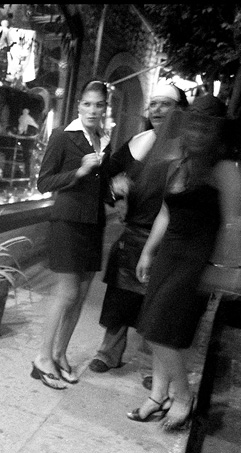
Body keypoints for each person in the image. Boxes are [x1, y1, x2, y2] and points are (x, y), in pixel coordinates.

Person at [127, 94, 241, 430]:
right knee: (153, 327)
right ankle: (158, 395)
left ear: (217, 133)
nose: (196, 132)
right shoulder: (180, 159)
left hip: (196, 259)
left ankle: (182, 397)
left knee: (162, 333)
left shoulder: (225, 170)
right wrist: (149, 251)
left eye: (205, 127)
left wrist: (227, 271)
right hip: (169, 254)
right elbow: (166, 209)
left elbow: (232, 223)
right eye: (193, 124)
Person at [90, 83, 188, 374]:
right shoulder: (138, 142)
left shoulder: (187, 147)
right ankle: (108, 353)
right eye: (153, 104)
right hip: (133, 234)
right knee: (120, 298)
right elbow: (106, 176)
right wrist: (114, 191)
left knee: (157, 307)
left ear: (179, 110)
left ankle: (151, 367)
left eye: (165, 104)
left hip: (169, 237)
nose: (157, 110)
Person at [30, 80, 111, 390]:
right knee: (66, 292)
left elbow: (100, 186)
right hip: (67, 222)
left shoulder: (104, 140)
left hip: (94, 224)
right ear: (79, 106)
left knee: (82, 293)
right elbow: (44, 182)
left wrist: (114, 190)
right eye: (87, 104)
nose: (92, 110)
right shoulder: (63, 137)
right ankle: (42, 357)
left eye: (98, 105)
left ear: (105, 108)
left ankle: (61, 355)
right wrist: (77, 172)